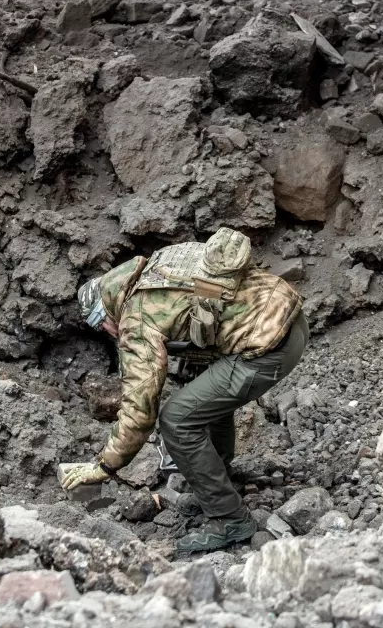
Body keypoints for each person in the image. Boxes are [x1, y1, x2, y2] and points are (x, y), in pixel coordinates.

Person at [61, 228, 307, 556]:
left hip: (268, 349)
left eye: (103, 326)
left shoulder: (136, 318)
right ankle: (218, 479)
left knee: (176, 419)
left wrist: (105, 465)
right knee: (202, 396)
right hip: (291, 318)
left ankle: (229, 518)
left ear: (106, 312)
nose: (110, 333)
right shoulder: (160, 264)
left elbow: (140, 405)